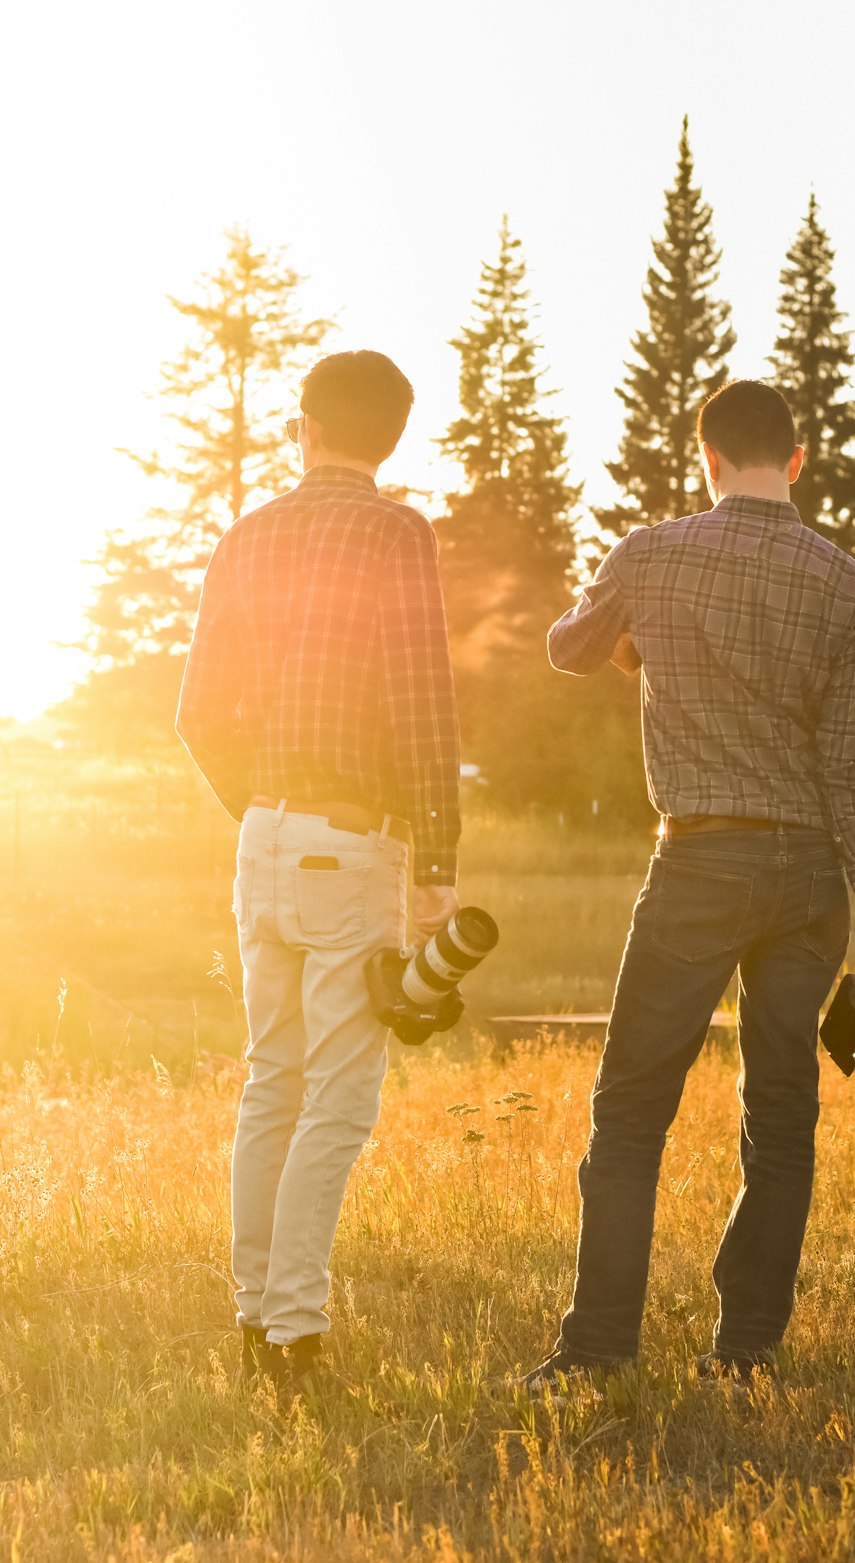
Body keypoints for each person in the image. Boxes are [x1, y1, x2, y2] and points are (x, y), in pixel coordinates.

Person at [521, 379, 855, 1390]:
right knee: (781, 1112)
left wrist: (635, 641)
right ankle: (744, 1351)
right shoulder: (853, 589)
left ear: (704, 460)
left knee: (630, 1112)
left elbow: (568, 647)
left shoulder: (650, 552)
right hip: (809, 877)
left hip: (699, 860)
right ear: (795, 462)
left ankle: (599, 1348)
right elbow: (850, 772)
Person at [177, 350, 461, 1398]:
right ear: (390, 437)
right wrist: (436, 865)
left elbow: (195, 714)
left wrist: (259, 812)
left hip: (261, 831)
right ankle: (293, 1330)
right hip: (355, 841)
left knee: (270, 1081)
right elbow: (424, 704)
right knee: (337, 1097)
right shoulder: (395, 534)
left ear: (304, 425)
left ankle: (258, 1313)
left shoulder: (246, 536)